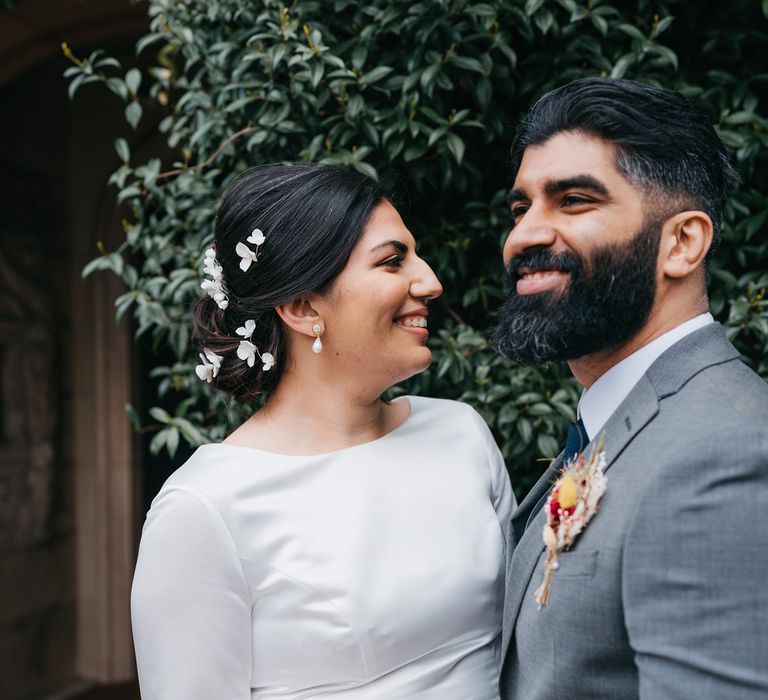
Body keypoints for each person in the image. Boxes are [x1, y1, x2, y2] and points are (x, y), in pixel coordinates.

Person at [131, 163, 515, 699]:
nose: (430, 281)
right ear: (303, 306)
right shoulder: (206, 507)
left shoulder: (461, 433)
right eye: (392, 262)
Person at [495, 77, 768, 699]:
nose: (525, 235)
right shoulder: (628, 422)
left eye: (574, 201)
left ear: (682, 242)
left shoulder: (724, 458)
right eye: (521, 207)